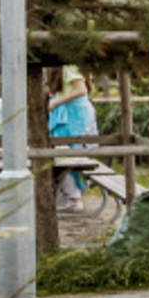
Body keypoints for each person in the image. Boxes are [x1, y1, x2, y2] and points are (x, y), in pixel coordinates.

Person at [47, 66, 98, 208]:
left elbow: (81, 90)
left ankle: (73, 197)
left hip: (72, 115)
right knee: (64, 155)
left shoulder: (69, 66)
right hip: (70, 114)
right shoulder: (66, 68)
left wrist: (57, 101)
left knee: (67, 155)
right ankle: (69, 194)